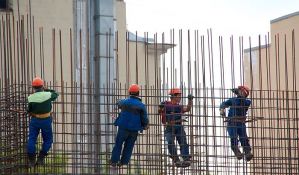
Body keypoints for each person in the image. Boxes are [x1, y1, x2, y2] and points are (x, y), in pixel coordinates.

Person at [110, 84, 149, 167]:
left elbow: (118, 103)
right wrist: (145, 125)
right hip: (134, 130)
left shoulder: (124, 102)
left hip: (123, 128)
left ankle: (114, 161)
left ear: (129, 92)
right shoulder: (141, 105)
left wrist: (119, 102)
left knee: (118, 144)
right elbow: (144, 118)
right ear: (138, 93)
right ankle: (123, 162)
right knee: (129, 146)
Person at [27, 77, 59, 167]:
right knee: (48, 140)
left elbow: (29, 110)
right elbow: (56, 94)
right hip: (46, 120)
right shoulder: (48, 94)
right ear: (42, 86)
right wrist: (47, 89)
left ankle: (31, 160)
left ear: (33, 87)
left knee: (32, 139)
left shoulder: (30, 98)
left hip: (35, 120)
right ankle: (41, 158)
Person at [159, 88, 193, 167]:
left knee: (183, 142)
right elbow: (159, 111)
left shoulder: (179, 107)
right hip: (169, 127)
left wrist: (190, 101)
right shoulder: (165, 104)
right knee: (170, 141)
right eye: (179, 96)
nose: (180, 97)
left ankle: (186, 159)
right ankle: (176, 159)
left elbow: (187, 109)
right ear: (173, 96)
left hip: (179, 126)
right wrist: (161, 107)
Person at [219, 85, 253, 162]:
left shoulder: (247, 102)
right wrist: (222, 109)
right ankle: (237, 152)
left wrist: (237, 91)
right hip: (232, 123)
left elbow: (241, 101)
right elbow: (223, 104)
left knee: (243, 137)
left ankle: (247, 152)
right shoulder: (233, 100)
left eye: (241, 91)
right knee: (233, 137)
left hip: (240, 123)